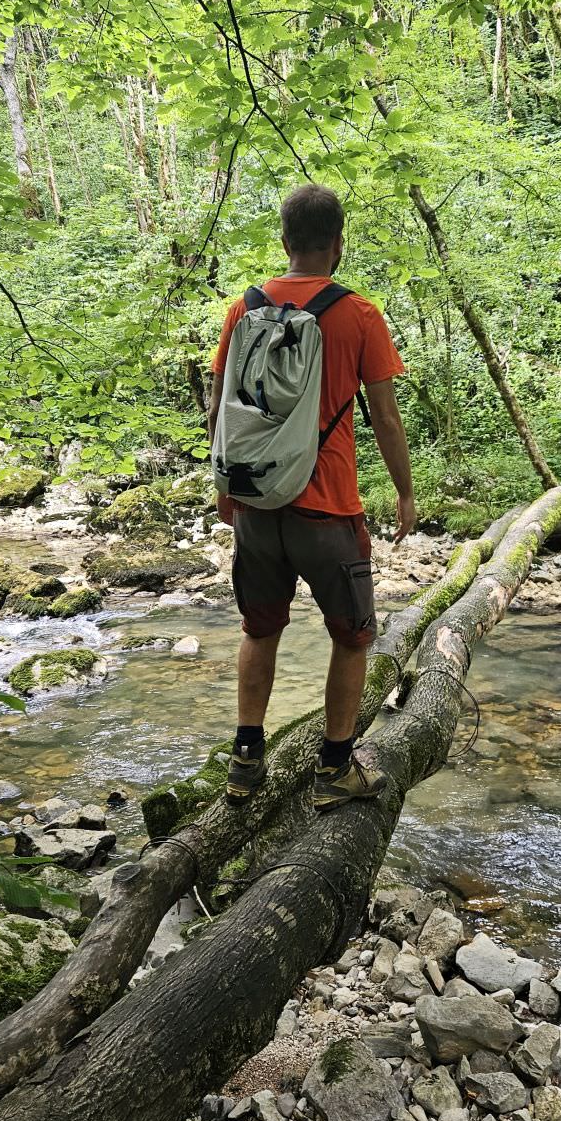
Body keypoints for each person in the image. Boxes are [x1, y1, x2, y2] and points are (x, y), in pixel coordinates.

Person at [207, 183, 417, 810]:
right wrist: (405, 493)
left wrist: (225, 483)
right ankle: (334, 769)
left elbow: (220, 403)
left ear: (284, 240)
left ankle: (245, 762)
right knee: (352, 637)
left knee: (259, 628)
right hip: (326, 507)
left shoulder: (243, 309)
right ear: (337, 243)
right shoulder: (358, 314)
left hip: (254, 503)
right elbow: (384, 415)